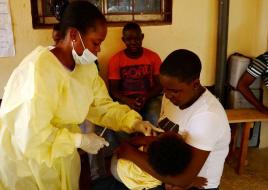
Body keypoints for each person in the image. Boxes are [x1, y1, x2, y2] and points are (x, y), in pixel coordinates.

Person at [0, 1, 161, 190]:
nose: (98, 50)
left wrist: (134, 122)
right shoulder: (37, 71)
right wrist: (79, 140)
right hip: (27, 160)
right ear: (74, 35)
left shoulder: (85, 68)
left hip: (62, 152)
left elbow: (101, 106)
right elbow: (30, 135)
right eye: (96, 42)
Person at [117, 49, 231, 190]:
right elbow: (166, 140)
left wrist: (130, 153)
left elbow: (183, 179)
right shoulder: (171, 96)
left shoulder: (207, 117)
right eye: (164, 89)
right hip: (170, 176)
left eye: (174, 91)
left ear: (195, 84)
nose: (167, 95)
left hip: (194, 184)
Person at [108, 22, 163, 125]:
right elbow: (113, 91)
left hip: (150, 98)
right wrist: (128, 101)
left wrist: (145, 97)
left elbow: (160, 85)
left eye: (137, 38)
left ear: (142, 37)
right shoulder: (115, 60)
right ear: (123, 40)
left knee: (154, 119)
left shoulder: (153, 57)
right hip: (125, 101)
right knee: (124, 125)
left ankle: (151, 140)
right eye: (129, 39)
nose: (133, 42)